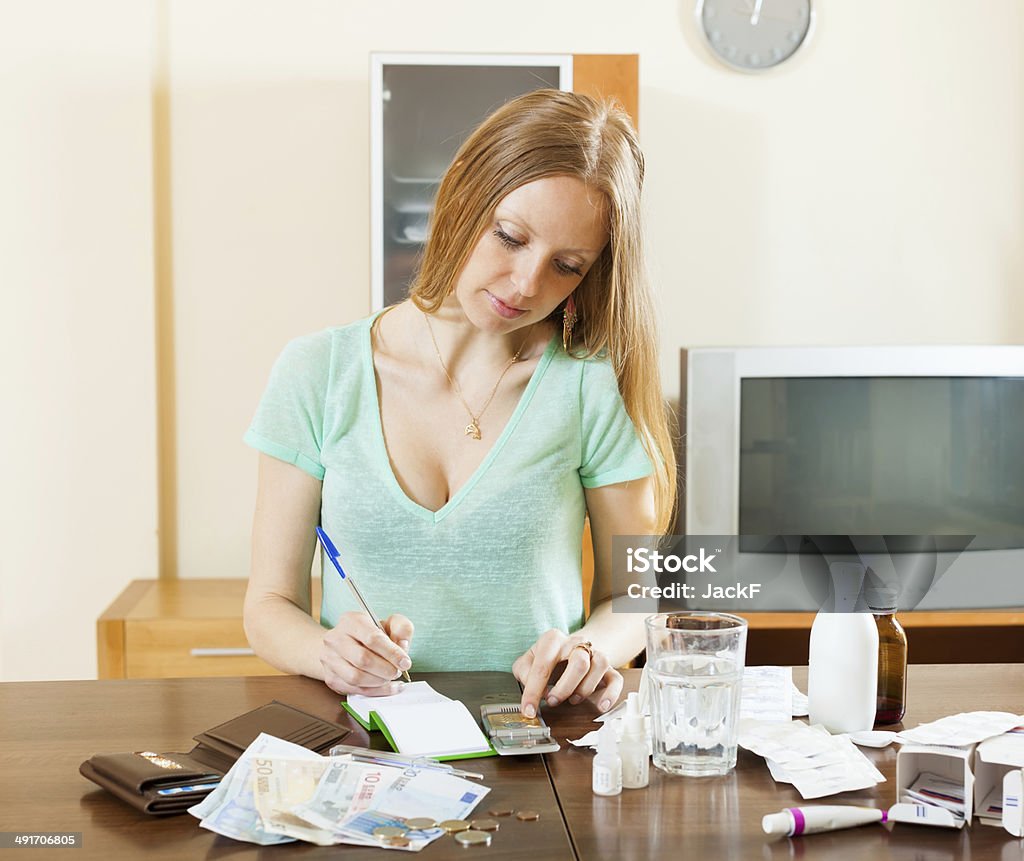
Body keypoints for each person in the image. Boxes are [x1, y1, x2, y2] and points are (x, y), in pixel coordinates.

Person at [243, 88, 677, 719]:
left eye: (567, 266)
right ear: (461, 199)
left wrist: (589, 650)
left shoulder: (590, 386)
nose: (527, 285)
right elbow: (269, 605)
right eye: (509, 237)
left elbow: (635, 601)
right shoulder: (318, 372)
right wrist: (325, 652)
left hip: (534, 735)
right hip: (366, 738)